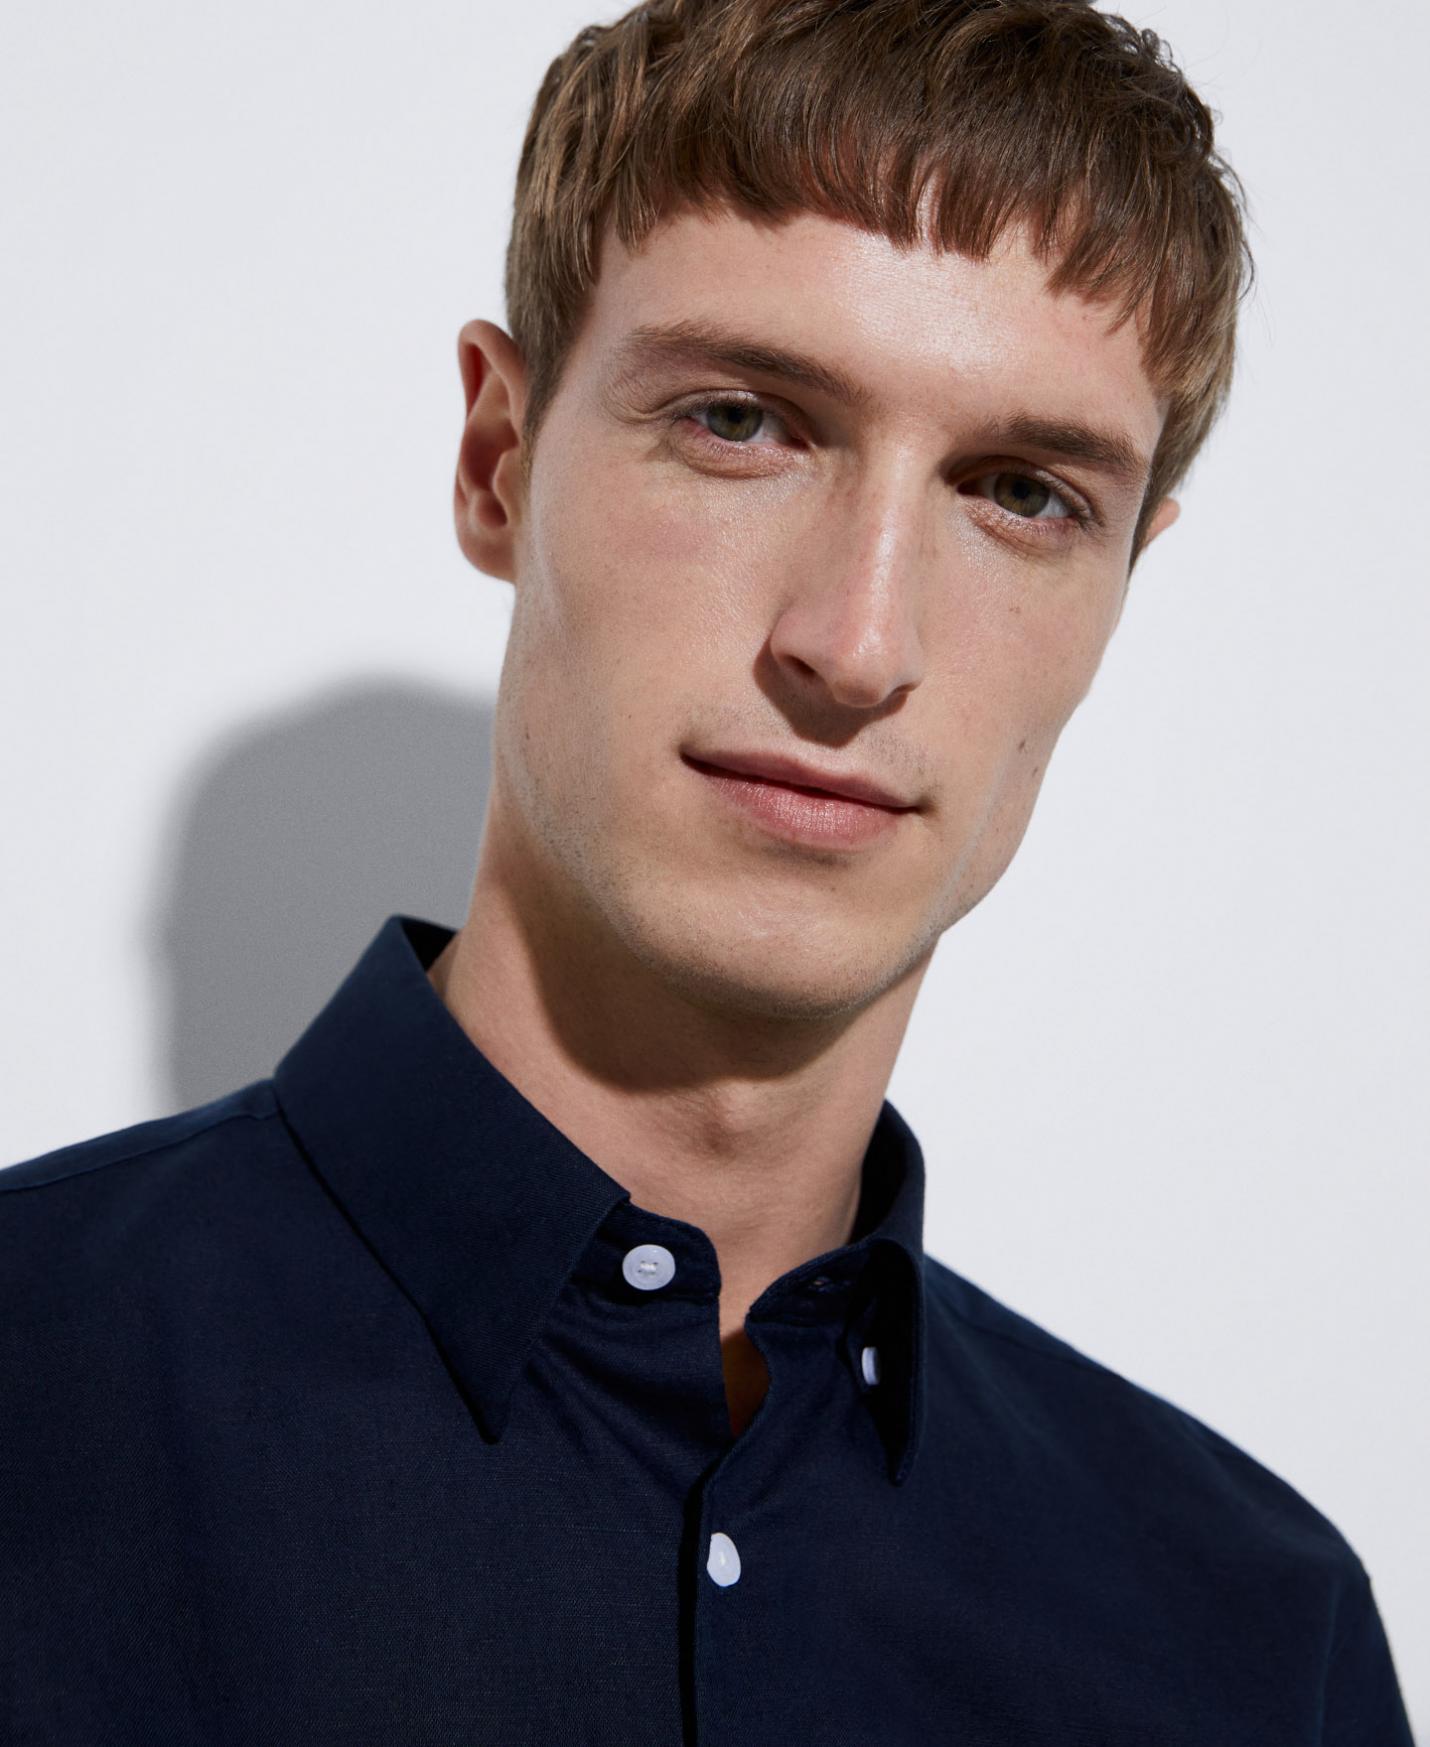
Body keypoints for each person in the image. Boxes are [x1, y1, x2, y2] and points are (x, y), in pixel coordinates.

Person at [1, 0, 1414, 1739]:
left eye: (1022, 493)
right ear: (498, 459)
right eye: (742, 420)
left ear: (1124, 584)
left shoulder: (1258, 1644)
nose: (858, 642)